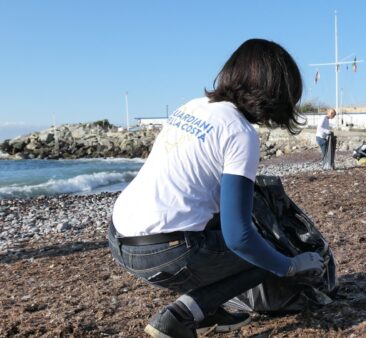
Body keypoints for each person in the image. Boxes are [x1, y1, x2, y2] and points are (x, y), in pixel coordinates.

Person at [108, 39, 324, 338]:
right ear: (277, 91)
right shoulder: (240, 132)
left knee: (216, 225)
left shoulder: (194, 106)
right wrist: (289, 265)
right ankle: (180, 316)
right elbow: (240, 238)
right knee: (265, 256)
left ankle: (207, 310)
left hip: (119, 237)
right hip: (162, 253)